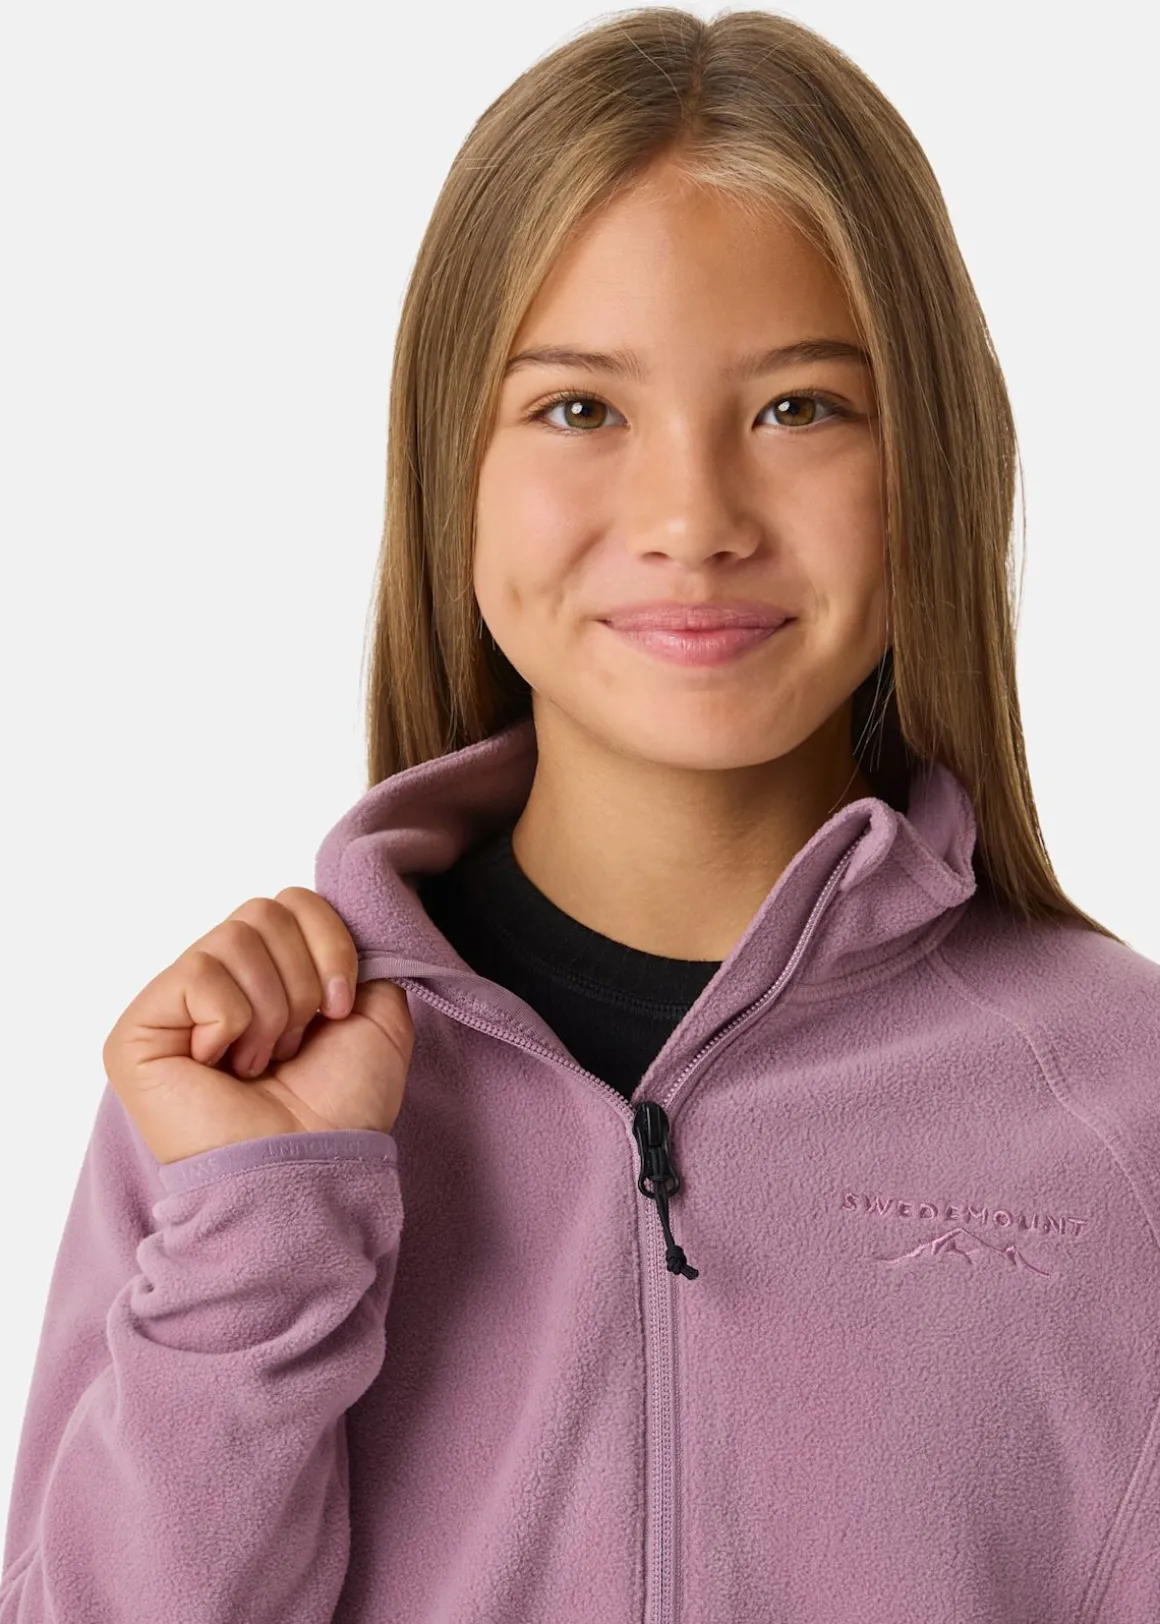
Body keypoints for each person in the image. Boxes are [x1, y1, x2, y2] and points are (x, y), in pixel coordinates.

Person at [3, 8, 1158, 1622]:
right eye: (577, 410)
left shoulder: (1126, 1104)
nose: (692, 519)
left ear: (935, 460)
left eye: (801, 407)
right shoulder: (237, 1099)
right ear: (451, 471)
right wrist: (268, 1231)